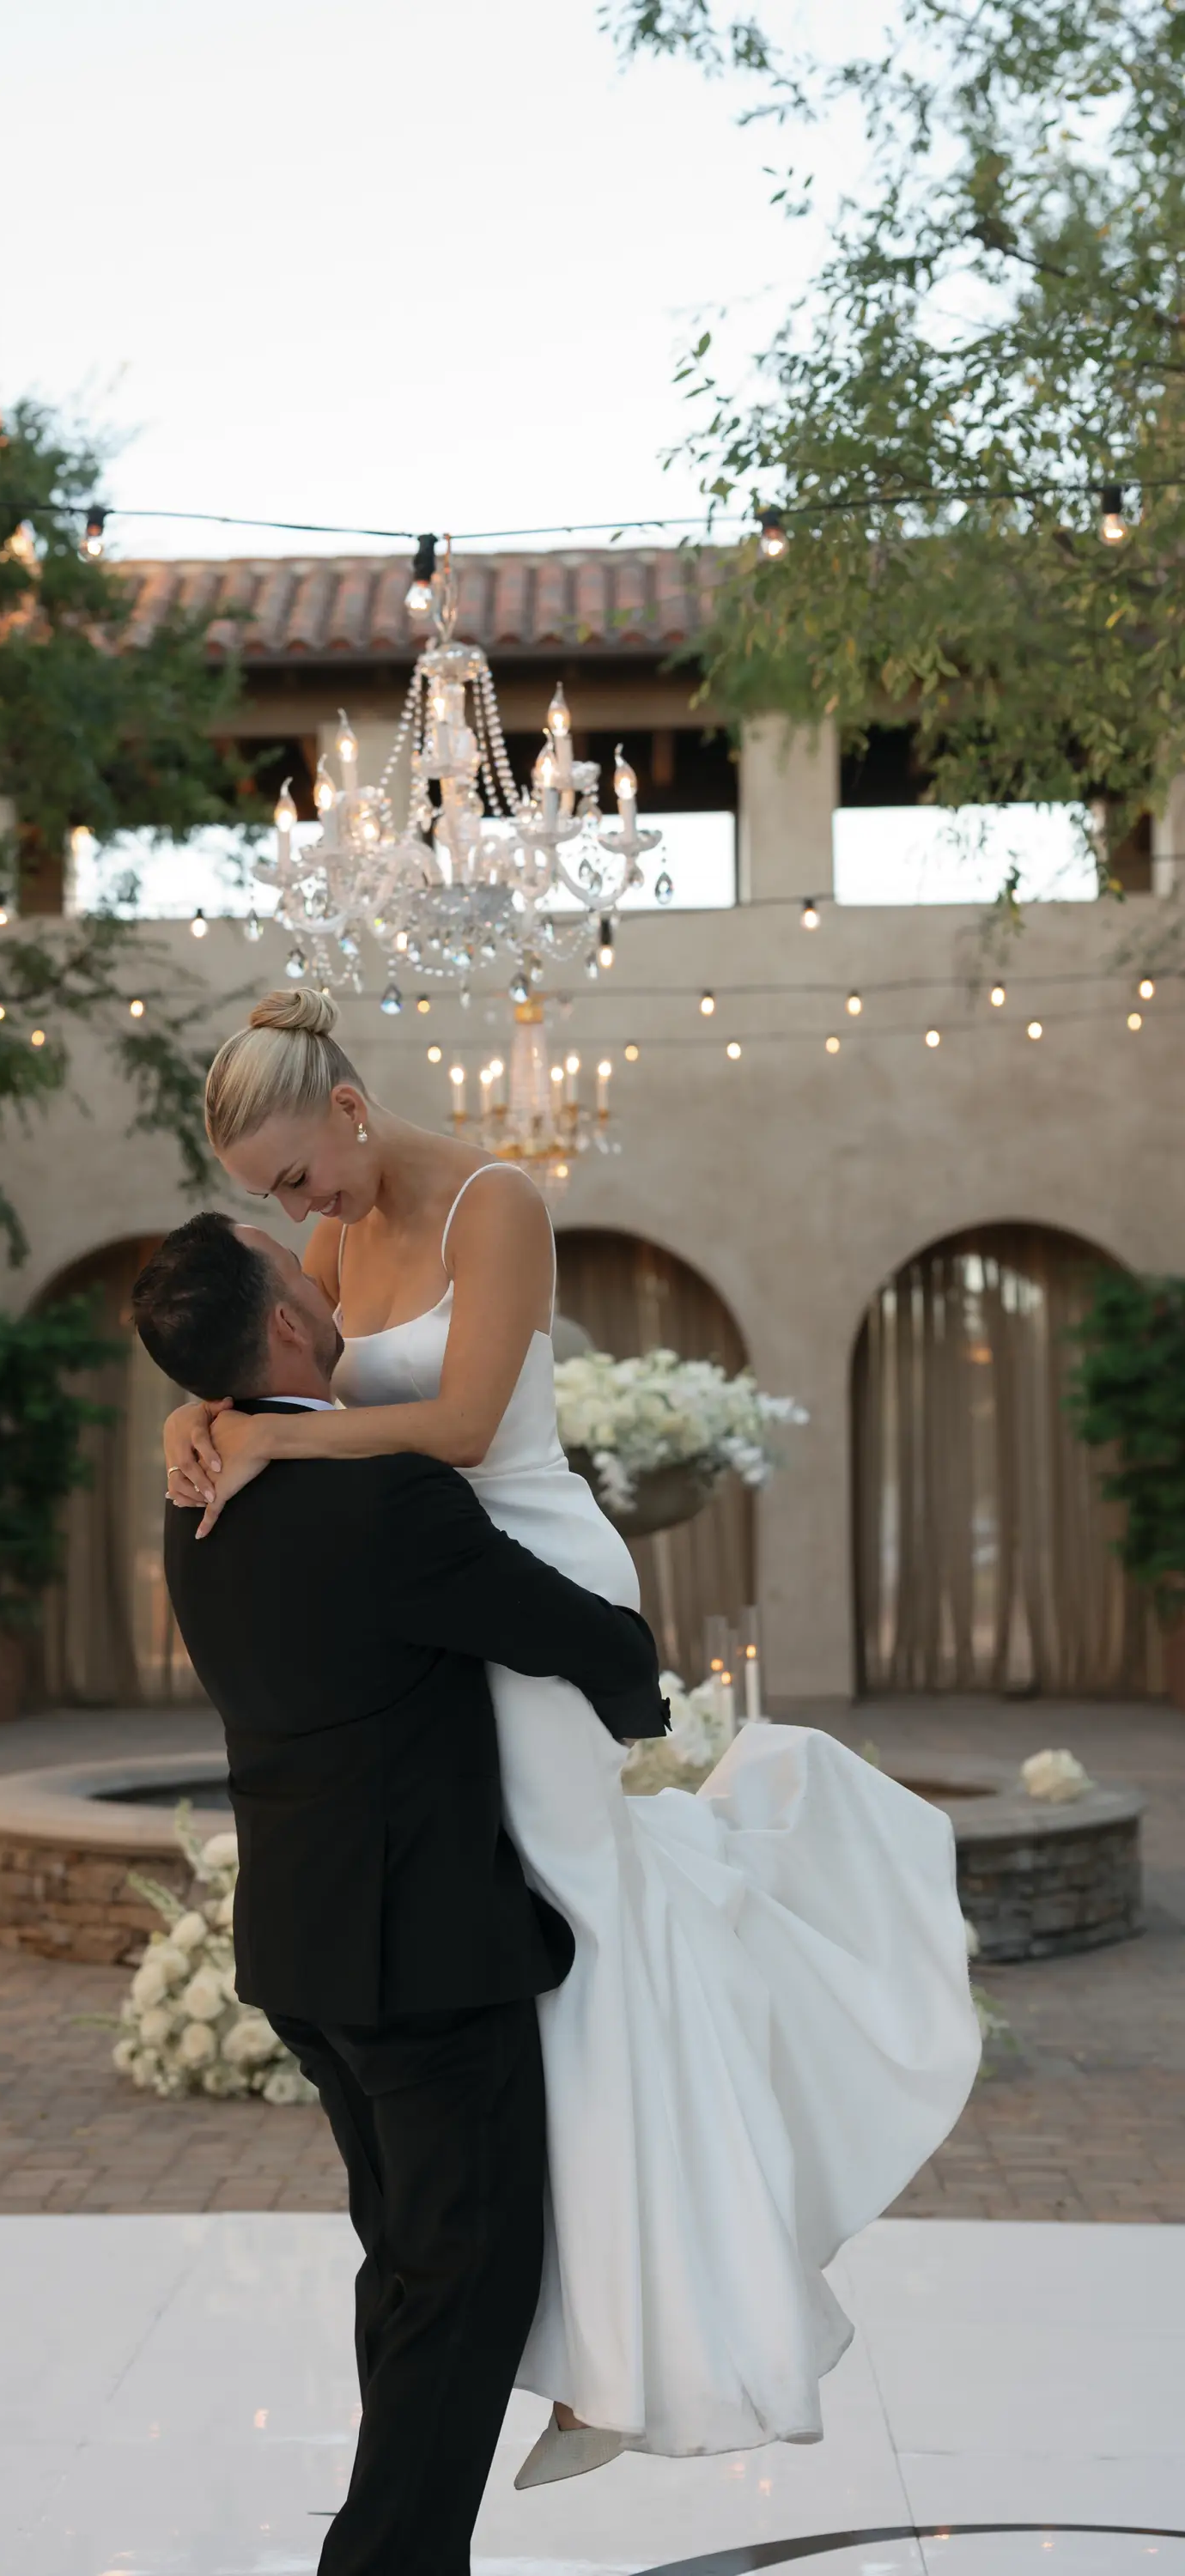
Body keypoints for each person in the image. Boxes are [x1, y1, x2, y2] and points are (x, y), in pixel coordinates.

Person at [162, 987, 983, 2484]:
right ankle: (581, 2327)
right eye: (273, 1203)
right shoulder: (334, 1237)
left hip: (526, 1578)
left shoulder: (497, 1203)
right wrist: (206, 1416)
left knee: (580, 1928)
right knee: (518, 1949)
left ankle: (622, 2335)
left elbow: (465, 1428)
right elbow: (293, 1369)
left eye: (292, 1180)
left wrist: (271, 1432)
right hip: (433, 1597)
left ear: (346, 1112)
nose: (297, 1217)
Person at [131, 1210, 671, 2576]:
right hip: (421, 1959)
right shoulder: (383, 1498)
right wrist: (640, 1703)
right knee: (461, 2286)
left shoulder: (196, 1500)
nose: (320, 1263)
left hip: (311, 1952)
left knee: (410, 2268)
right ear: (290, 1330)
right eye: (291, 1261)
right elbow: (581, 1639)